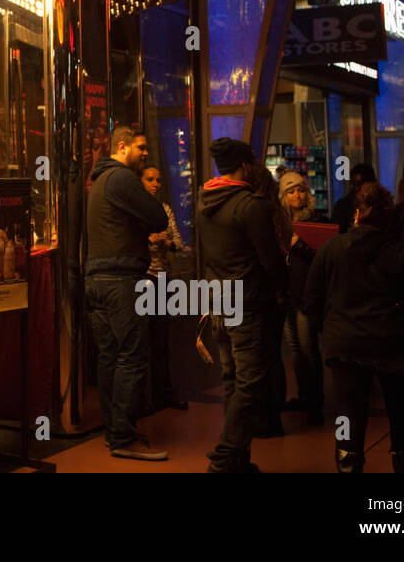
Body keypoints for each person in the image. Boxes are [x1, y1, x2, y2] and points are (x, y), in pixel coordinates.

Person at [304, 182, 404, 472]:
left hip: (344, 343)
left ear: (357, 215)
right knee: (401, 414)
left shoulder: (332, 248)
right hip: (392, 343)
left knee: (348, 415)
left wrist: (331, 327)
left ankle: (348, 463)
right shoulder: (402, 253)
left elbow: (311, 300)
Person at [196, 138, 285, 473]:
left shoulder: (205, 200)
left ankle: (237, 460)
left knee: (233, 378)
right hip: (247, 302)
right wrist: (284, 287)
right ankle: (225, 455)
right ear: (246, 166)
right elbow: (271, 261)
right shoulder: (251, 205)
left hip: (218, 300)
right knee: (250, 381)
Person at [85, 126, 170, 460]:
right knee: (133, 355)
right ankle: (123, 437)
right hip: (121, 281)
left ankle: (114, 430)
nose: (146, 152)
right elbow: (157, 217)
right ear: (122, 147)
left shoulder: (99, 183)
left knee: (110, 356)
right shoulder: (121, 179)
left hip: (97, 279)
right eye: (141, 147)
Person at [141, 166, 189, 413]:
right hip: (143, 277)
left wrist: (164, 241)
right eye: (150, 179)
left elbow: (179, 244)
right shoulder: (135, 210)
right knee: (142, 340)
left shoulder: (164, 209)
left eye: (158, 180)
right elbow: (134, 243)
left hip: (163, 278)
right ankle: (144, 398)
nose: (156, 184)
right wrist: (151, 240)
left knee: (162, 340)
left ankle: (162, 394)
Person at [279, 172, 324, 425]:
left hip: (306, 294)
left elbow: (320, 258)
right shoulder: (280, 224)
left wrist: (298, 245)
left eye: (300, 190)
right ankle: (305, 395)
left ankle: (315, 401)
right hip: (287, 293)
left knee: (308, 349)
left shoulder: (316, 221)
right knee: (295, 350)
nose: (297, 195)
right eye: (291, 191)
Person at [249, 166, 291, 437]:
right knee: (274, 354)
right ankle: (274, 411)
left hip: (260, 291)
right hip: (277, 292)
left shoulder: (254, 213)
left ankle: (265, 417)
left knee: (259, 356)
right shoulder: (278, 214)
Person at [331, 162, 376, 234]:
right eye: (353, 184)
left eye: (359, 184)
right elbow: (334, 231)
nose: (356, 189)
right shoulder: (342, 205)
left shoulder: (378, 206)